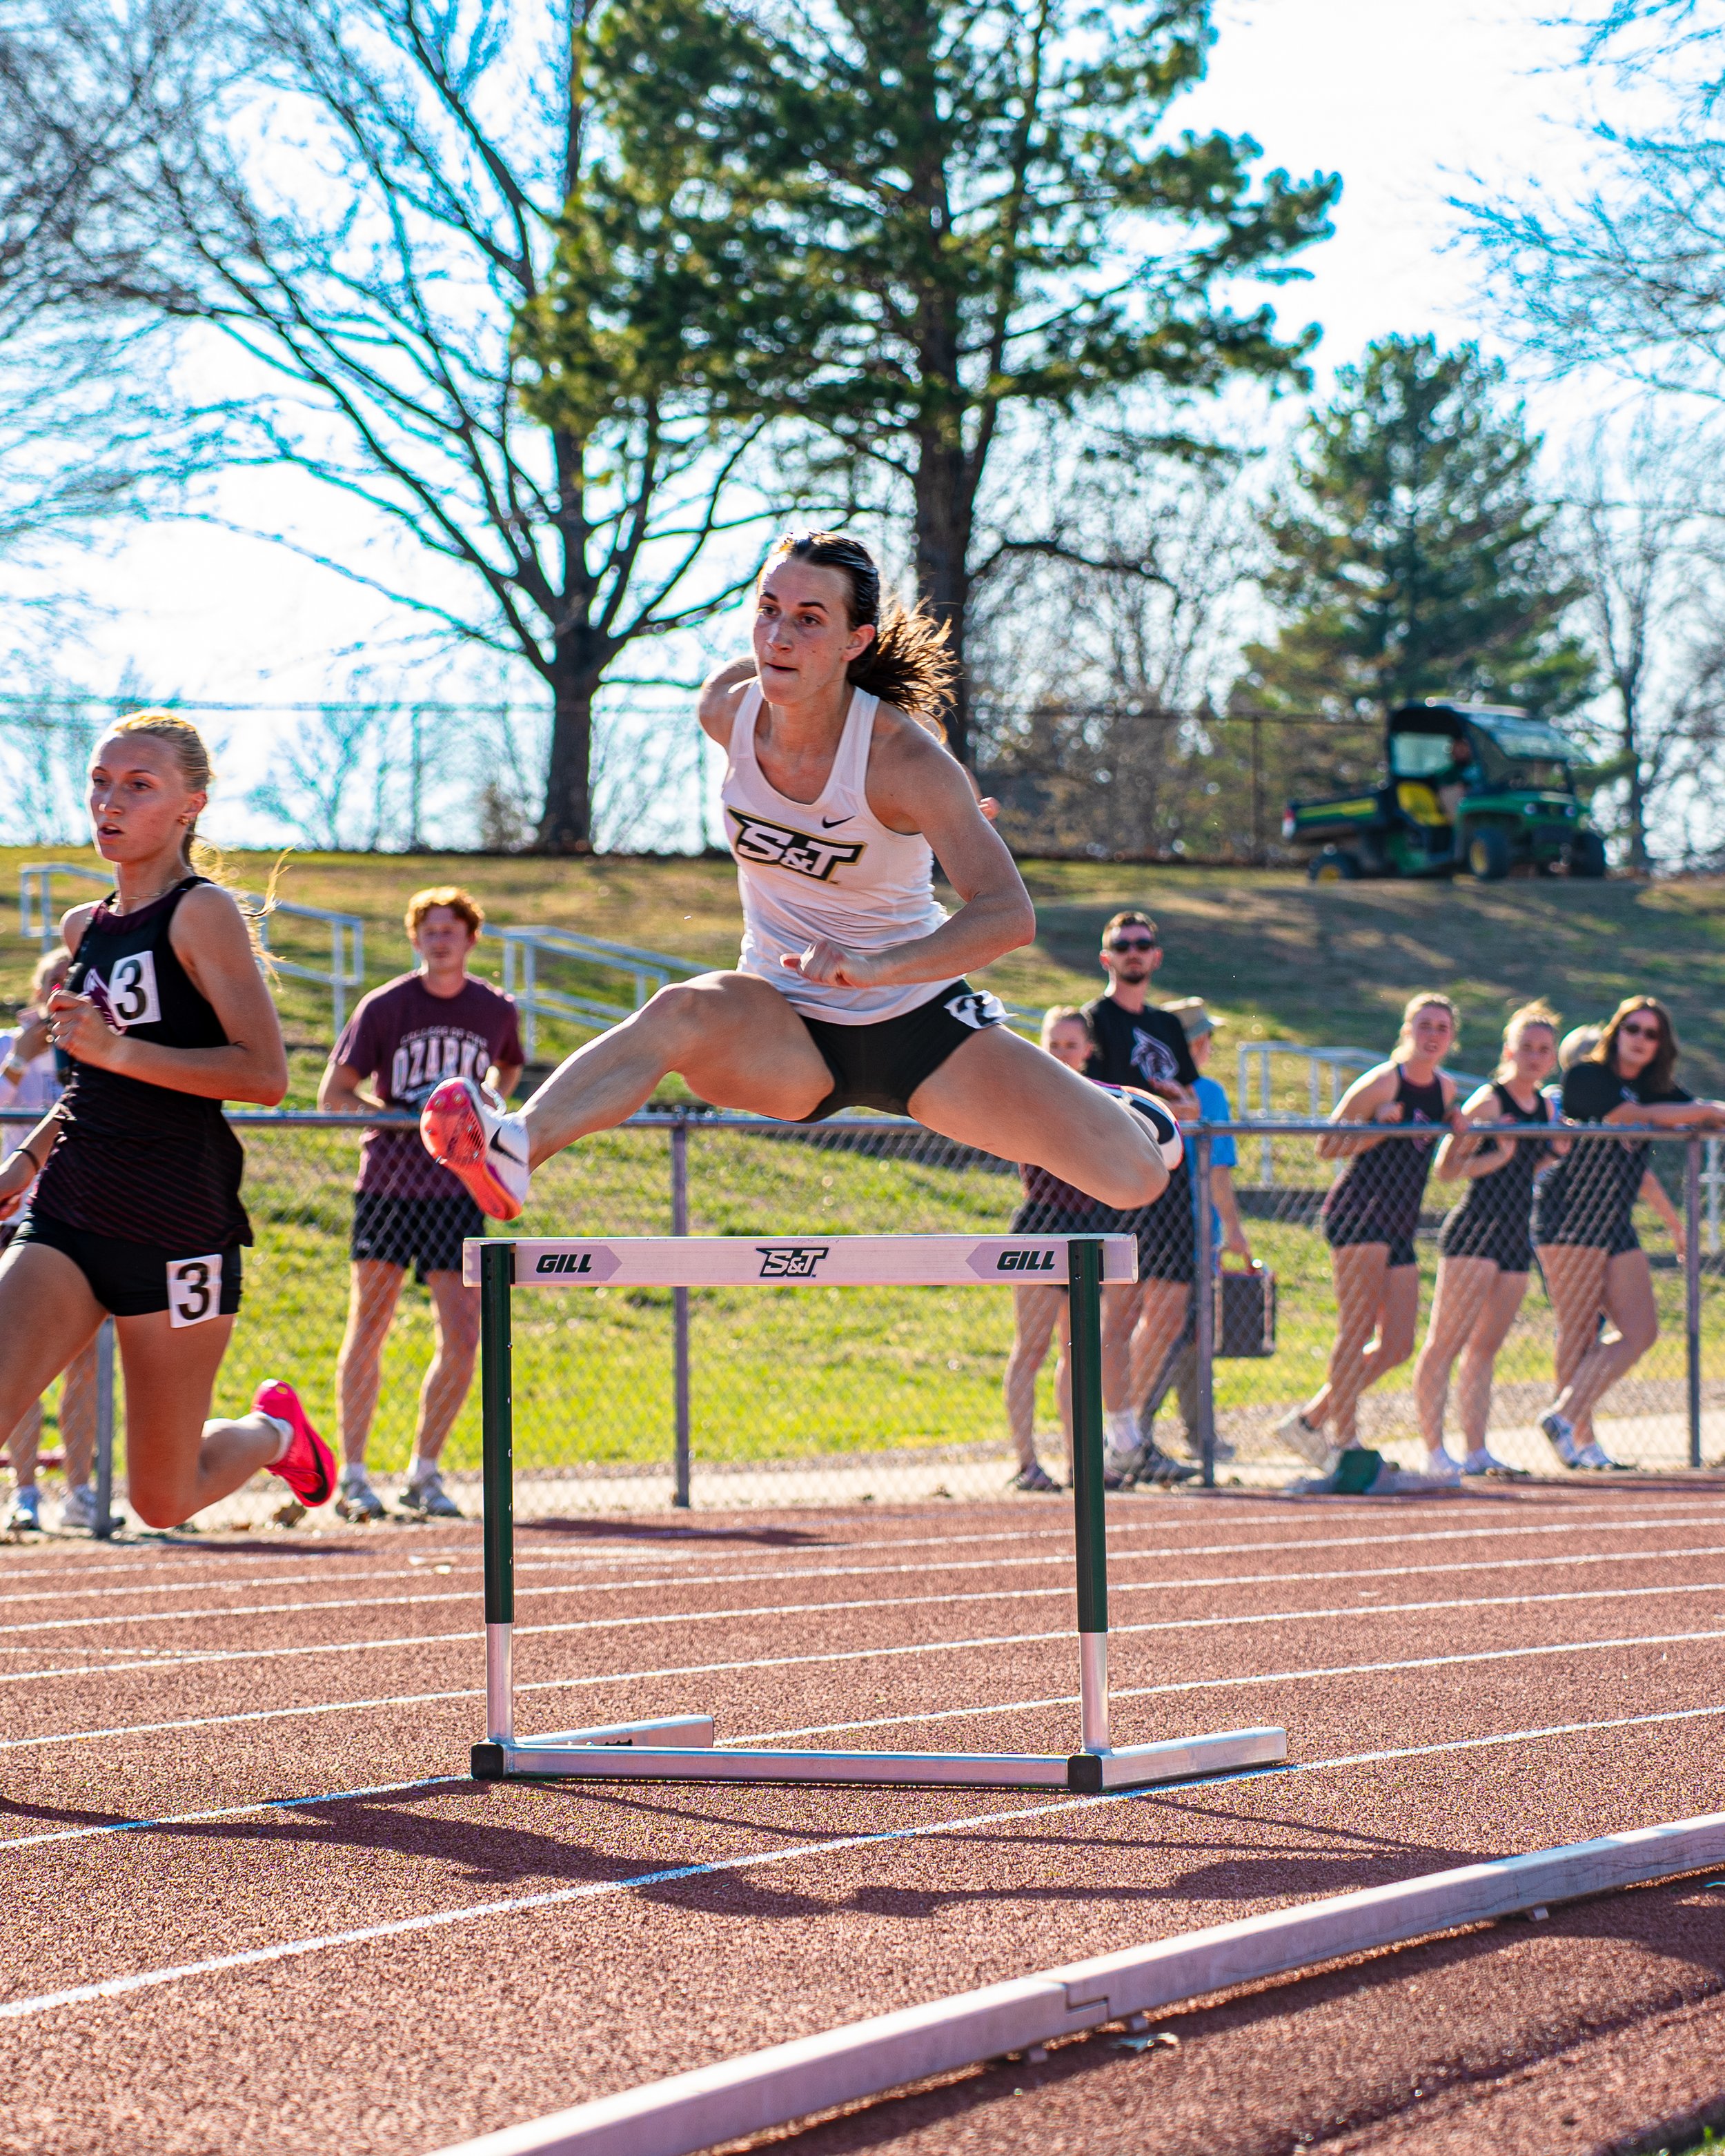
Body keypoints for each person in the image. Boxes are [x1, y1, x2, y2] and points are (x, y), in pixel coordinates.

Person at [420, 530, 1177, 1227]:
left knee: (1134, 1175)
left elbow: (1008, 914)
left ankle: (1112, 1107)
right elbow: (766, 661)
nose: (778, 636)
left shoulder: (905, 761)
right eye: (768, 610)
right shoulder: (726, 711)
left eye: (810, 619)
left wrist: (876, 966)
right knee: (682, 1009)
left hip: (916, 1022)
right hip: (781, 1021)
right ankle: (516, 1145)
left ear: (856, 640)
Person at [0, 712, 334, 1530]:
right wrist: (27, 1162)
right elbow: (91, 1084)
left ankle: (276, 1431)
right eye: (100, 782)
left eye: (138, 785)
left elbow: (264, 1074)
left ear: (191, 804)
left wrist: (118, 1049)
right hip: (70, 1212)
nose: (110, 802)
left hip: (177, 1227)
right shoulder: (84, 928)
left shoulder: (202, 912)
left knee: (162, 1497)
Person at [319, 887, 524, 1522]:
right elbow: (334, 1093)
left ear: (470, 939)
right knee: (369, 1326)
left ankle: (424, 1471)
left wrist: (482, 1111)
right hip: (388, 1184)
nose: (440, 940)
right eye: (429, 930)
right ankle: (355, 1475)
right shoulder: (385, 1005)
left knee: (464, 1336)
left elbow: (509, 1069)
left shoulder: (495, 1009)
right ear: (415, 938)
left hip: (458, 1191)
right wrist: (416, 1122)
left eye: (450, 930)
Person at [1535, 996, 1725, 1470]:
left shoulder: (1657, 1089)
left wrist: (1707, 1110)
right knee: (1579, 1330)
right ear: (1616, 1031)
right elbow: (1622, 1116)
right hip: (1570, 1215)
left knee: (1641, 1331)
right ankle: (1581, 1442)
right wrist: (1698, 1109)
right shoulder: (1587, 1075)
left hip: (1616, 1220)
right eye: (1632, 1029)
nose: (1640, 1039)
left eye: (1651, 1033)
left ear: (1661, 1044)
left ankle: (1564, 1418)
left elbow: (1698, 1117)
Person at [1279, 993, 1465, 1473]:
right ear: (1407, 1029)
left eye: (1442, 1027)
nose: (1432, 1035)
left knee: (1398, 1344)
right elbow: (1325, 1145)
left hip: (1401, 1222)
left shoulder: (1445, 1088)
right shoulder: (1383, 1081)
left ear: (1451, 1037)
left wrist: (1457, 1124)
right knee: (1356, 1329)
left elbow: (1443, 1147)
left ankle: (1309, 1420)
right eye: (1424, 1024)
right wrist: (1376, 1129)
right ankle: (1345, 1438)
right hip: (1360, 1214)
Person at [1002, 1007, 1170, 1492]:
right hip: (1043, 1225)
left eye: (1070, 1045)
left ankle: (1081, 1463)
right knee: (1031, 1347)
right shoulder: (1029, 1093)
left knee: (1077, 1354)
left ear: (1087, 1051)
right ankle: (1027, 1463)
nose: (1061, 1054)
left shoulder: (1102, 1099)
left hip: (1087, 1228)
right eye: (1053, 1044)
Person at [1412, 1002, 1559, 1483]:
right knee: (1445, 1343)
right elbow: (1446, 1169)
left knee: (1485, 1348)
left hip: (1516, 1235)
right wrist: (1495, 1158)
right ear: (1509, 1051)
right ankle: (1434, 1450)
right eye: (1526, 1047)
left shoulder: (1546, 1107)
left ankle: (1476, 1450)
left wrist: (1552, 1151)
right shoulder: (1489, 1102)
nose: (1535, 1056)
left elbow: (1532, 1165)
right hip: (1475, 1232)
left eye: (1544, 1049)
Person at [1079, 911, 1201, 1481]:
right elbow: (1087, 1091)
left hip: (1171, 1180)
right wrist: (1153, 1101)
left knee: (1170, 1311)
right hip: (1120, 1180)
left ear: (1156, 956)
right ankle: (1118, 1435)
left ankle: (1132, 1428)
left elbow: (1191, 1103)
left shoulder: (1169, 1025)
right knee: (1120, 1312)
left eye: (1143, 943)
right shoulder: (1094, 1020)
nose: (1134, 951)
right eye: (1123, 944)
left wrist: (1177, 1103)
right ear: (1106, 957)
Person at [1, 949, 99, 1533]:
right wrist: (20, 1057)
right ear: (38, 993)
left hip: (81, 1214)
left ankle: (81, 1491)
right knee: (17, 1359)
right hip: (15, 1217)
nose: (61, 991)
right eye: (53, 983)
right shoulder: (8, 1045)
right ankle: (25, 1491)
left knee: (86, 1363)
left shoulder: (95, 1048)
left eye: (72, 982)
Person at [1141, 998, 1253, 1464]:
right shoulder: (1206, 1092)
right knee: (1176, 1334)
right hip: (1189, 1231)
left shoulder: (1141, 1088)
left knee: (1173, 1334)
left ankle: (1186, 1433)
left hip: (1140, 1227)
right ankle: (1143, 1432)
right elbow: (1218, 1174)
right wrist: (1234, 1232)